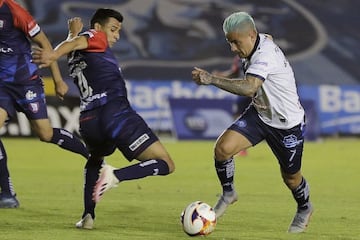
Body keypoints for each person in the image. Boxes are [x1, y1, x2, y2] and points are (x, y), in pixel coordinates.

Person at [32, 8, 175, 229]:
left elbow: (71, 46)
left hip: (89, 121)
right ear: (98, 27)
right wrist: (56, 52)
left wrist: (59, 68)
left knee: (94, 161)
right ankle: (116, 175)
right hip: (115, 113)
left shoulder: (76, 53)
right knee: (166, 164)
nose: (116, 36)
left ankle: (88, 216)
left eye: (119, 31)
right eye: (113, 29)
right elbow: (74, 43)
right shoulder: (95, 37)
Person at [191, 12, 313, 233]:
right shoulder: (256, 41)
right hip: (259, 114)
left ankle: (305, 208)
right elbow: (268, 37)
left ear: (251, 34)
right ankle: (229, 193)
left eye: (236, 42)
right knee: (223, 149)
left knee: (291, 177)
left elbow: (249, 88)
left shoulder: (264, 54)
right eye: (230, 42)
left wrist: (211, 79)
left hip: (287, 125)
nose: (233, 48)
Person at [0, 0, 89, 208]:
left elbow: (45, 45)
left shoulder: (14, 11)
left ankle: (92, 156)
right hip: (2, 86)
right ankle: (7, 194)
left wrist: (58, 80)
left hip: (25, 81)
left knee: (45, 134)